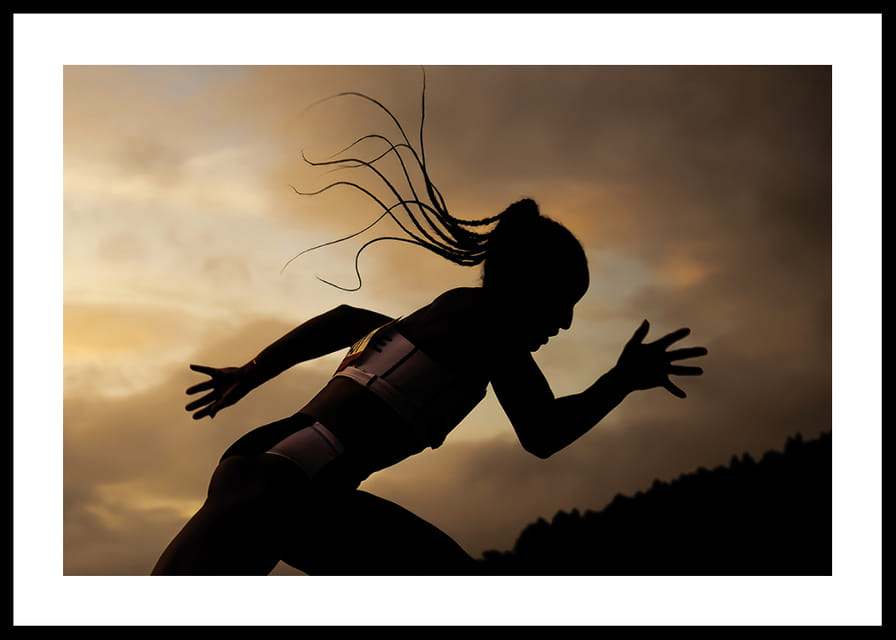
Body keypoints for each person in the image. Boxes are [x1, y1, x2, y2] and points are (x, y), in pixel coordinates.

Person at [151, 89, 707, 576]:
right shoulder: (489, 323)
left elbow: (343, 320)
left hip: (279, 470)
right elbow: (541, 434)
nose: (563, 324)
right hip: (289, 483)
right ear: (526, 288)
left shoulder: (435, 321)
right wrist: (619, 380)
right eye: (561, 305)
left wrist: (249, 373)